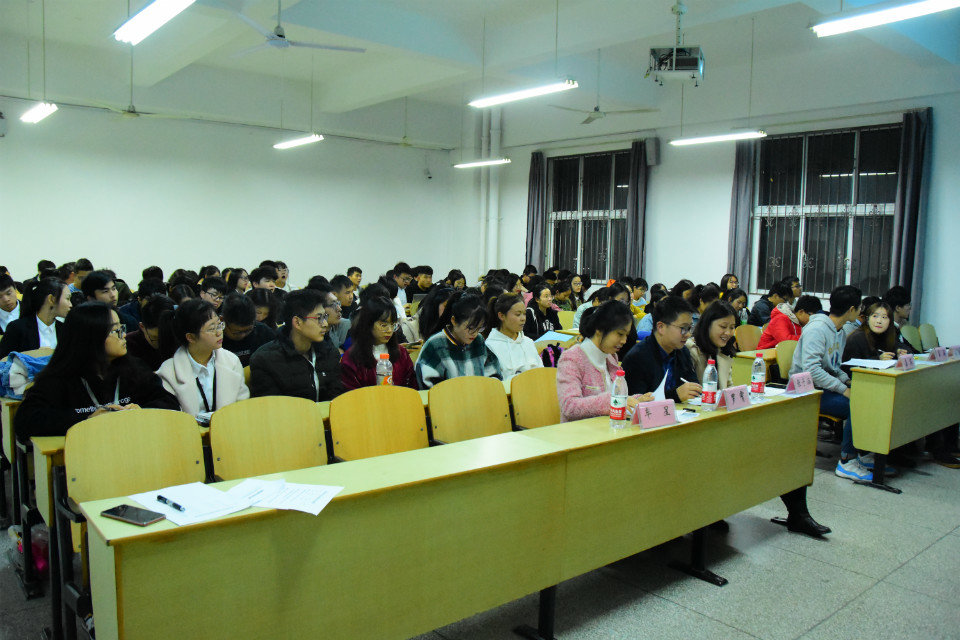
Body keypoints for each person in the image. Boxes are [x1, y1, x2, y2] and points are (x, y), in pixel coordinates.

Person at [14, 302, 179, 441]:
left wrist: (141, 411)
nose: (123, 335)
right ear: (91, 337)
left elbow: (168, 402)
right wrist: (87, 419)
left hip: (132, 447)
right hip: (84, 455)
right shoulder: (59, 378)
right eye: (115, 330)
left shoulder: (133, 368)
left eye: (122, 328)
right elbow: (26, 422)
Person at [789, 285, 872, 481]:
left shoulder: (839, 331)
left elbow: (834, 367)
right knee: (856, 404)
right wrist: (843, 389)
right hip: (806, 390)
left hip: (824, 387)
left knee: (867, 397)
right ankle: (846, 461)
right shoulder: (817, 329)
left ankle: (862, 454)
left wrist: (847, 381)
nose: (861, 312)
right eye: (859, 308)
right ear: (851, 309)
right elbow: (812, 370)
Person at [556, 301, 653, 422]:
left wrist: (637, 400)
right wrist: (611, 401)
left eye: (626, 335)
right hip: (580, 431)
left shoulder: (610, 357)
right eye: (620, 334)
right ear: (599, 329)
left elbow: (617, 398)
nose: (624, 340)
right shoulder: (572, 358)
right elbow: (569, 407)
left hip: (608, 428)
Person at [156, 299, 248, 420]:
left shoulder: (232, 361)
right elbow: (172, 419)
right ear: (191, 337)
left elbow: (242, 406)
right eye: (211, 328)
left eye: (219, 325)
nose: (219, 332)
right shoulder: (168, 372)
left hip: (228, 428)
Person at [249, 289, 344, 401]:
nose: (325, 324)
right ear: (297, 322)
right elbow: (271, 407)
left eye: (325, 317)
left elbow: (336, 398)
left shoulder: (329, 352)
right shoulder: (265, 360)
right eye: (319, 318)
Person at [622, 296, 702, 402]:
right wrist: (675, 395)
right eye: (683, 328)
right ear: (661, 327)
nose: (688, 334)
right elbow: (638, 402)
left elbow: (694, 388)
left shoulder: (683, 352)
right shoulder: (637, 357)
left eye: (690, 328)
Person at [415, 292, 501, 389]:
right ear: (454, 321)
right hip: (448, 397)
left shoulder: (478, 340)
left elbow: (493, 371)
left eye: (479, 328)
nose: (475, 333)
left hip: (479, 396)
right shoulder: (436, 344)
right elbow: (428, 386)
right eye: (471, 328)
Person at [340, 296, 417, 390]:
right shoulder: (352, 358)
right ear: (368, 324)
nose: (389, 330)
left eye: (393, 325)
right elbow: (351, 394)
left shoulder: (401, 353)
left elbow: (412, 386)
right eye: (383, 325)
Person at [0, 277, 71, 358]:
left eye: (8, 293)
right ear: (51, 299)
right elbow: (4, 360)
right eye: (67, 298)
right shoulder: (17, 328)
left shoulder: (65, 329)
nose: (70, 304)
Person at [484, 293, 543, 382]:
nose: (523, 318)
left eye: (524, 314)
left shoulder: (528, 342)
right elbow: (493, 382)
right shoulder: (490, 346)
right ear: (501, 316)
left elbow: (541, 372)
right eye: (518, 314)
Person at [686, 301, 738, 390]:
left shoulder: (723, 351)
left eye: (732, 327)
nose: (728, 333)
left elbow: (729, 387)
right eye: (723, 326)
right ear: (708, 325)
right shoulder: (692, 350)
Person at [220, 294, 276, 367]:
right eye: (237, 332)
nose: (243, 335)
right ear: (222, 320)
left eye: (248, 330)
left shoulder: (263, 332)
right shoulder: (214, 339)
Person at [124, 294, 175, 371]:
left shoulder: (181, 339)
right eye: (156, 338)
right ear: (142, 327)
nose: (163, 343)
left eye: (168, 336)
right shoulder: (129, 346)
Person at [757, 295, 822, 349]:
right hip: (764, 355)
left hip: (782, 354)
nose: (813, 320)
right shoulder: (780, 319)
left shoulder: (800, 323)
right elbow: (786, 341)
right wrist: (809, 337)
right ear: (801, 312)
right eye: (812, 316)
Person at [883, 285, 917, 353]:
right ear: (898, 308)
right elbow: (905, 350)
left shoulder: (896, 328)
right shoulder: (888, 330)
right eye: (907, 305)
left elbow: (911, 349)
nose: (910, 308)